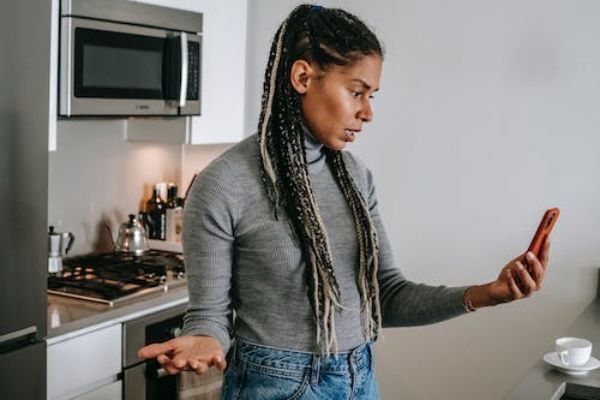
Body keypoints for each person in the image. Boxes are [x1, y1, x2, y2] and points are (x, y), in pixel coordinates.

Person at [138, 4, 551, 399]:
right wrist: (204, 339)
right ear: (303, 77)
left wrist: (489, 293)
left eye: (372, 96)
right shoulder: (223, 184)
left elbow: (385, 294)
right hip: (275, 386)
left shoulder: (355, 178)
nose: (367, 112)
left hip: (360, 379)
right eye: (357, 92)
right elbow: (209, 315)